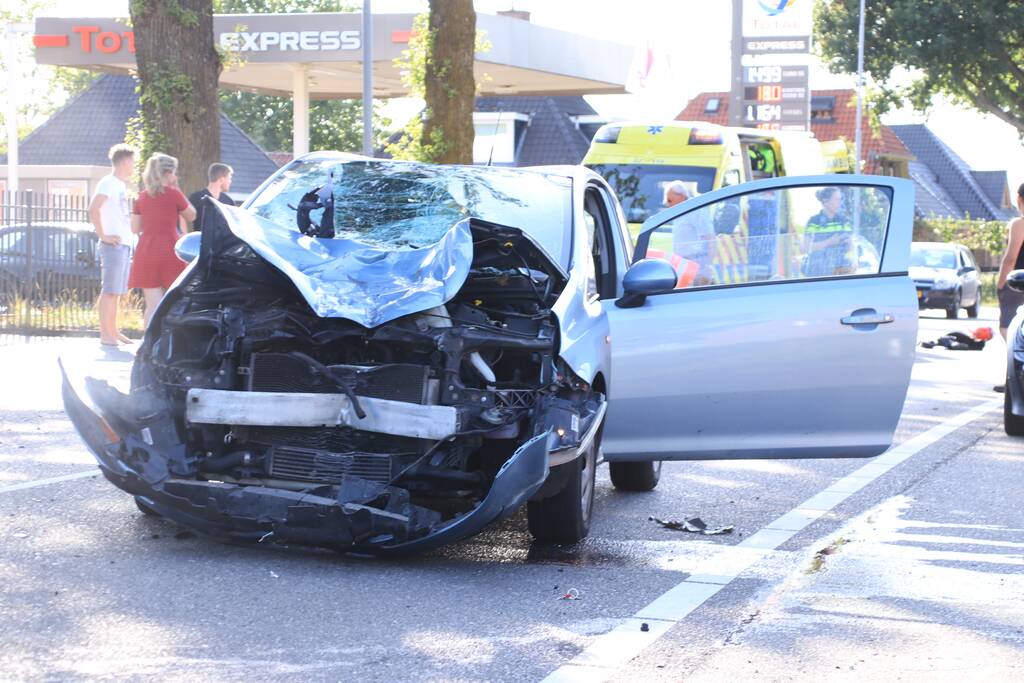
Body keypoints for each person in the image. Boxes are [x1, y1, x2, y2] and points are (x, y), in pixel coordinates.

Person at [129, 153, 196, 326]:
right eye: (174, 173)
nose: (176, 176)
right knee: (174, 301)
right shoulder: (173, 194)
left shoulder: (141, 197)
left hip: (146, 252)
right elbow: (192, 215)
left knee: (152, 306)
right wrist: (177, 189)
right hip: (170, 251)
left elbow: (135, 228)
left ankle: (147, 346)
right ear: (167, 173)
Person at [88, 143, 136, 347]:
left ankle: (113, 331)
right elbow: (93, 208)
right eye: (133, 161)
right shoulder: (108, 182)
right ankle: (105, 335)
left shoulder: (120, 185)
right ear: (124, 161)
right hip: (113, 245)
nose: (134, 165)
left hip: (123, 244)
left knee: (116, 291)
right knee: (109, 290)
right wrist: (103, 235)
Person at [994, 183, 1024, 392]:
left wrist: (1001, 283)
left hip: (1018, 283)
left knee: (1009, 329)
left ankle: (1015, 378)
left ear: (1020, 199)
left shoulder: (1019, 224)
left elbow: (1010, 258)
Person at [663, 180, 715, 285]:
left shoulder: (696, 210)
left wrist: (708, 267)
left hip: (697, 267)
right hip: (683, 266)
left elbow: (710, 238)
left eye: (670, 200)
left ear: (681, 196)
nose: (668, 204)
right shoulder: (680, 213)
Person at [803, 187, 854, 277]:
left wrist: (850, 245)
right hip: (817, 272)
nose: (840, 202)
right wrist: (829, 242)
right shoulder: (814, 222)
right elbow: (806, 248)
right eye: (837, 199)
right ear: (826, 202)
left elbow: (851, 247)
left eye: (840, 199)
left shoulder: (844, 221)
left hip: (840, 271)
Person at [188, 162, 236, 232]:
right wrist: (183, 233)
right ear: (222, 180)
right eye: (229, 178)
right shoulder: (196, 198)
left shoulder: (229, 201)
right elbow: (182, 214)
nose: (230, 181)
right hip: (200, 241)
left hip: (222, 242)